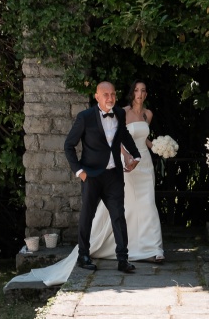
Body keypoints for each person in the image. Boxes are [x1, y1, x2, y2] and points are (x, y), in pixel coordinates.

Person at [64, 81, 141, 273]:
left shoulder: (120, 113)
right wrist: (80, 172)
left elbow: (124, 135)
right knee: (87, 216)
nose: (110, 98)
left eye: (113, 94)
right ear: (97, 96)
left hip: (114, 175)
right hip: (91, 176)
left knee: (118, 216)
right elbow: (68, 145)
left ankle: (122, 259)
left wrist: (136, 155)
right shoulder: (85, 117)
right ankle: (83, 256)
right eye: (105, 94)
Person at [88, 81, 164, 262]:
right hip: (128, 161)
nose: (140, 93)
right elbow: (116, 137)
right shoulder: (122, 112)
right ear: (132, 93)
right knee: (129, 204)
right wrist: (126, 155)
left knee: (148, 203)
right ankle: (127, 245)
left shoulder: (148, 114)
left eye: (143, 90)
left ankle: (153, 248)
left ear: (146, 94)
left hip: (145, 162)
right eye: (137, 90)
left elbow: (144, 138)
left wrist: (160, 147)